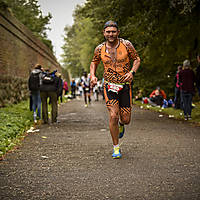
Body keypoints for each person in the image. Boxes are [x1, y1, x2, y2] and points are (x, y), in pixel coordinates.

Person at [90, 20, 140, 159]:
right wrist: (93, 75)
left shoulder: (126, 45)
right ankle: (116, 148)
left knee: (126, 119)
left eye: (113, 31)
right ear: (104, 33)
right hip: (109, 85)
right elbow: (94, 62)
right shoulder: (99, 49)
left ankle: (121, 125)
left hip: (125, 86)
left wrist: (132, 73)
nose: (110, 34)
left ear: (118, 32)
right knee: (113, 115)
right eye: (108, 32)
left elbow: (136, 59)